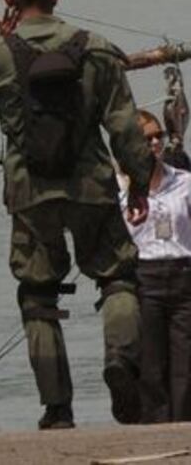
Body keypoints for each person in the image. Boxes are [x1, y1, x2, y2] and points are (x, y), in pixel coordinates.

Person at [0, 0, 154, 430]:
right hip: (91, 187)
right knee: (118, 277)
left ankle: (57, 409)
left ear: (9, 0)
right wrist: (140, 181)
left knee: (37, 293)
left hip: (29, 190)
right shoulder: (96, 49)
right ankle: (121, 361)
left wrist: (5, 42)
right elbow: (125, 127)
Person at [122, 111, 191, 422]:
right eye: (146, 138)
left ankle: (184, 426)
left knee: (185, 363)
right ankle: (154, 429)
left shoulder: (185, 181)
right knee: (151, 364)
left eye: (157, 136)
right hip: (145, 276)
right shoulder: (121, 190)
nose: (154, 143)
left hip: (184, 272)